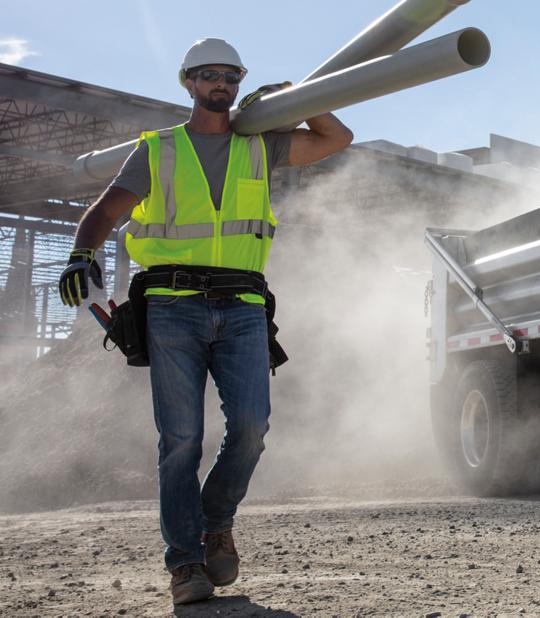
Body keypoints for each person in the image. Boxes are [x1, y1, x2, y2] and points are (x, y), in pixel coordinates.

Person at [57, 37, 352, 604]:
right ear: (188, 82)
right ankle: (186, 563)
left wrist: (298, 96)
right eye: (209, 75)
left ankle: (216, 522)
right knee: (182, 439)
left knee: (249, 427)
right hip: (171, 307)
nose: (222, 83)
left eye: (231, 75)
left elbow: (337, 138)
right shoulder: (158, 150)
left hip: (242, 307)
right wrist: (81, 253)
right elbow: (105, 210)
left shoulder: (262, 145)